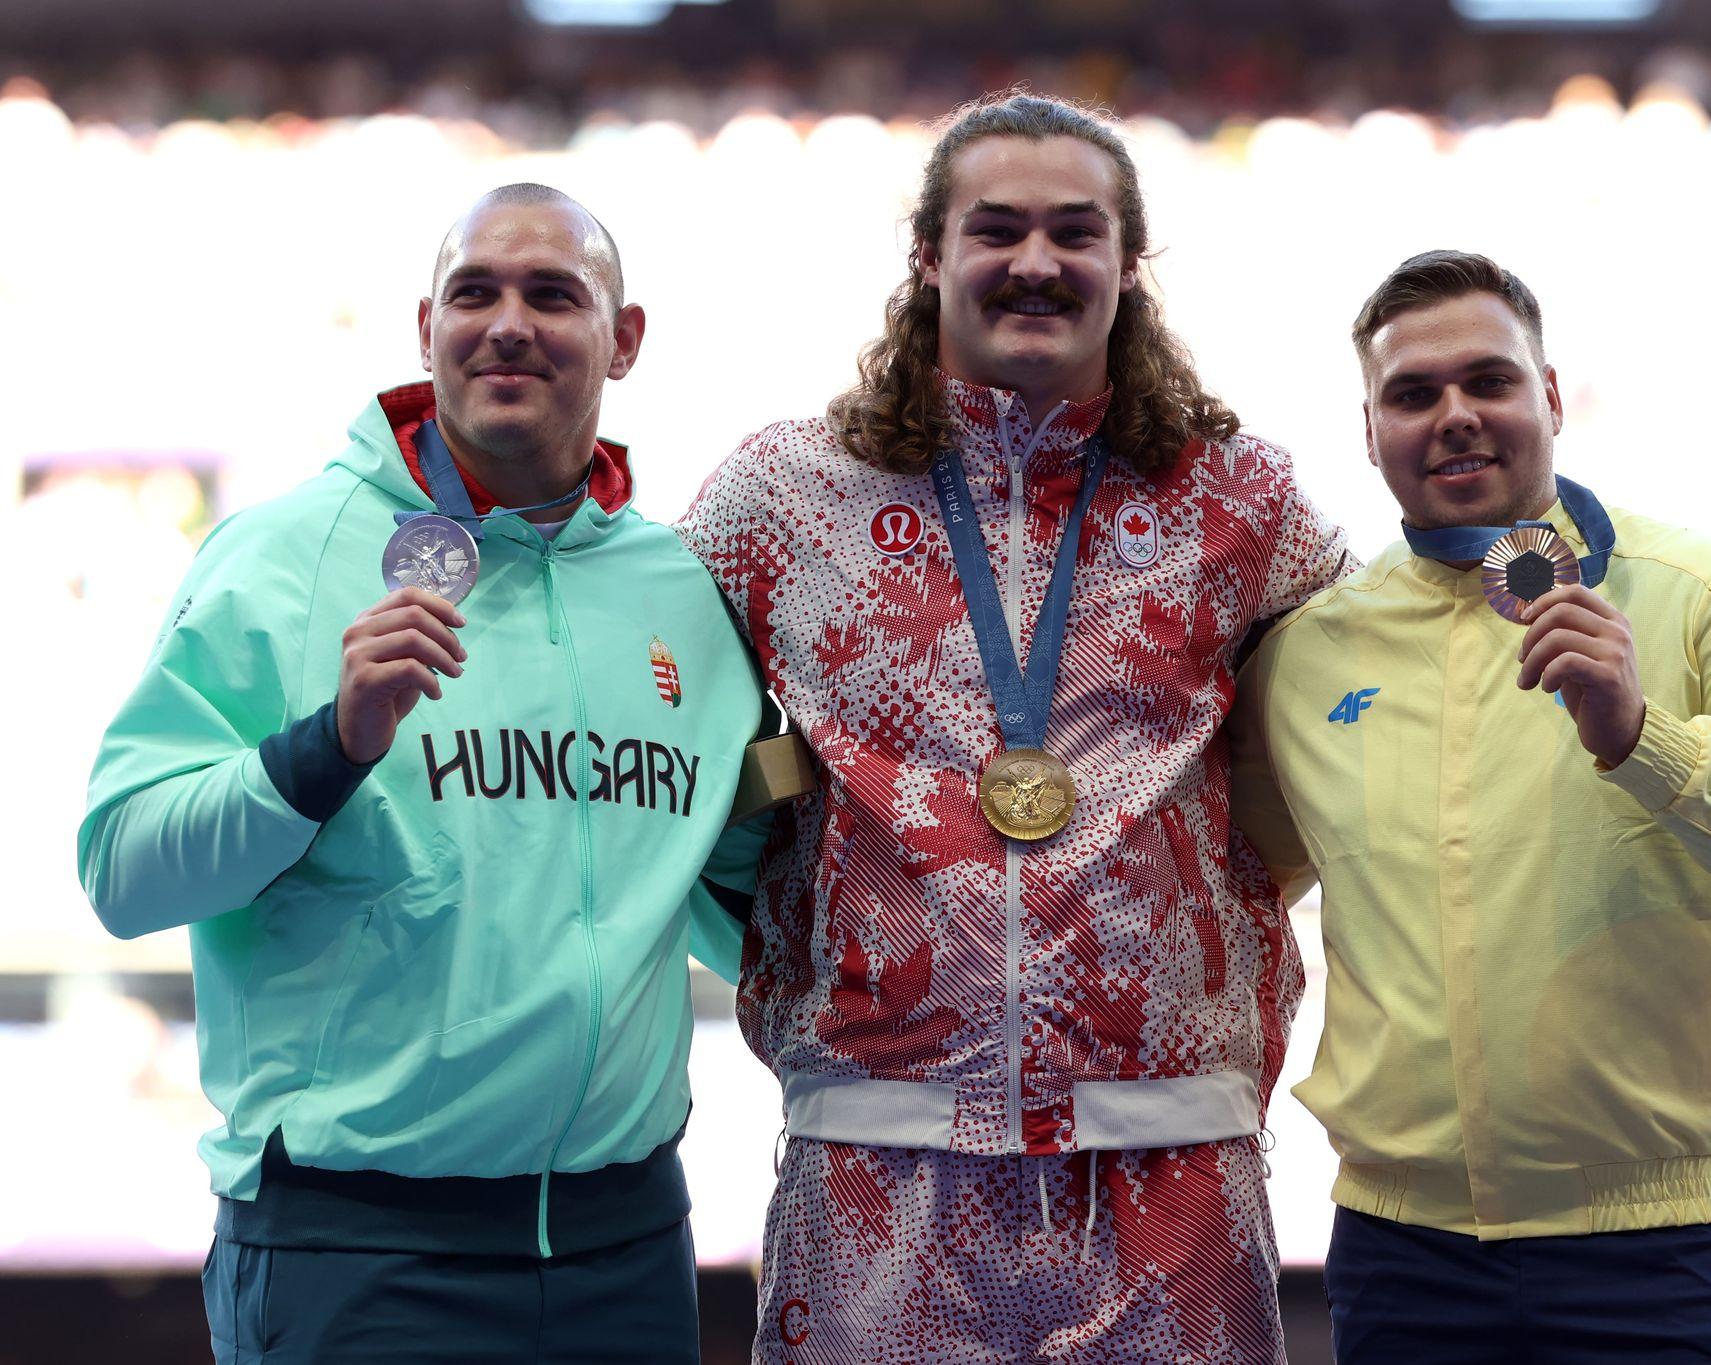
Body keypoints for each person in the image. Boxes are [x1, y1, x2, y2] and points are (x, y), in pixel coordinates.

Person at [676, 93, 1350, 1362]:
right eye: (995, 229)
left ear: (1126, 267)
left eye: (1073, 232)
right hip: (876, 1151)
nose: (1034, 263)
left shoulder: (1241, 498)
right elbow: (637, 693)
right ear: (927, 254)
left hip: (1172, 1152)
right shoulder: (782, 494)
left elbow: (1389, 699)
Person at [78, 183, 769, 1364]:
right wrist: (324, 749)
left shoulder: (681, 592)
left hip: (628, 1246)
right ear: (424, 327)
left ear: (625, 338)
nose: (508, 323)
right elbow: (124, 871)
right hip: (358, 1254)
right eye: (474, 293)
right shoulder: (282, 559)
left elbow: (738, 897)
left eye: (553, 295)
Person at [1230, 249, 1711, 1361]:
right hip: (1403, 1259)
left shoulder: (1700, 591)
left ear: (1547, 397)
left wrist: (1644, 741)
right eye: (1412, 394)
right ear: (1368, 432)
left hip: (1670, 1252)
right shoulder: (1311, 654)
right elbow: (1232, 876)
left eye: (1487, 382)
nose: (1453, 416)